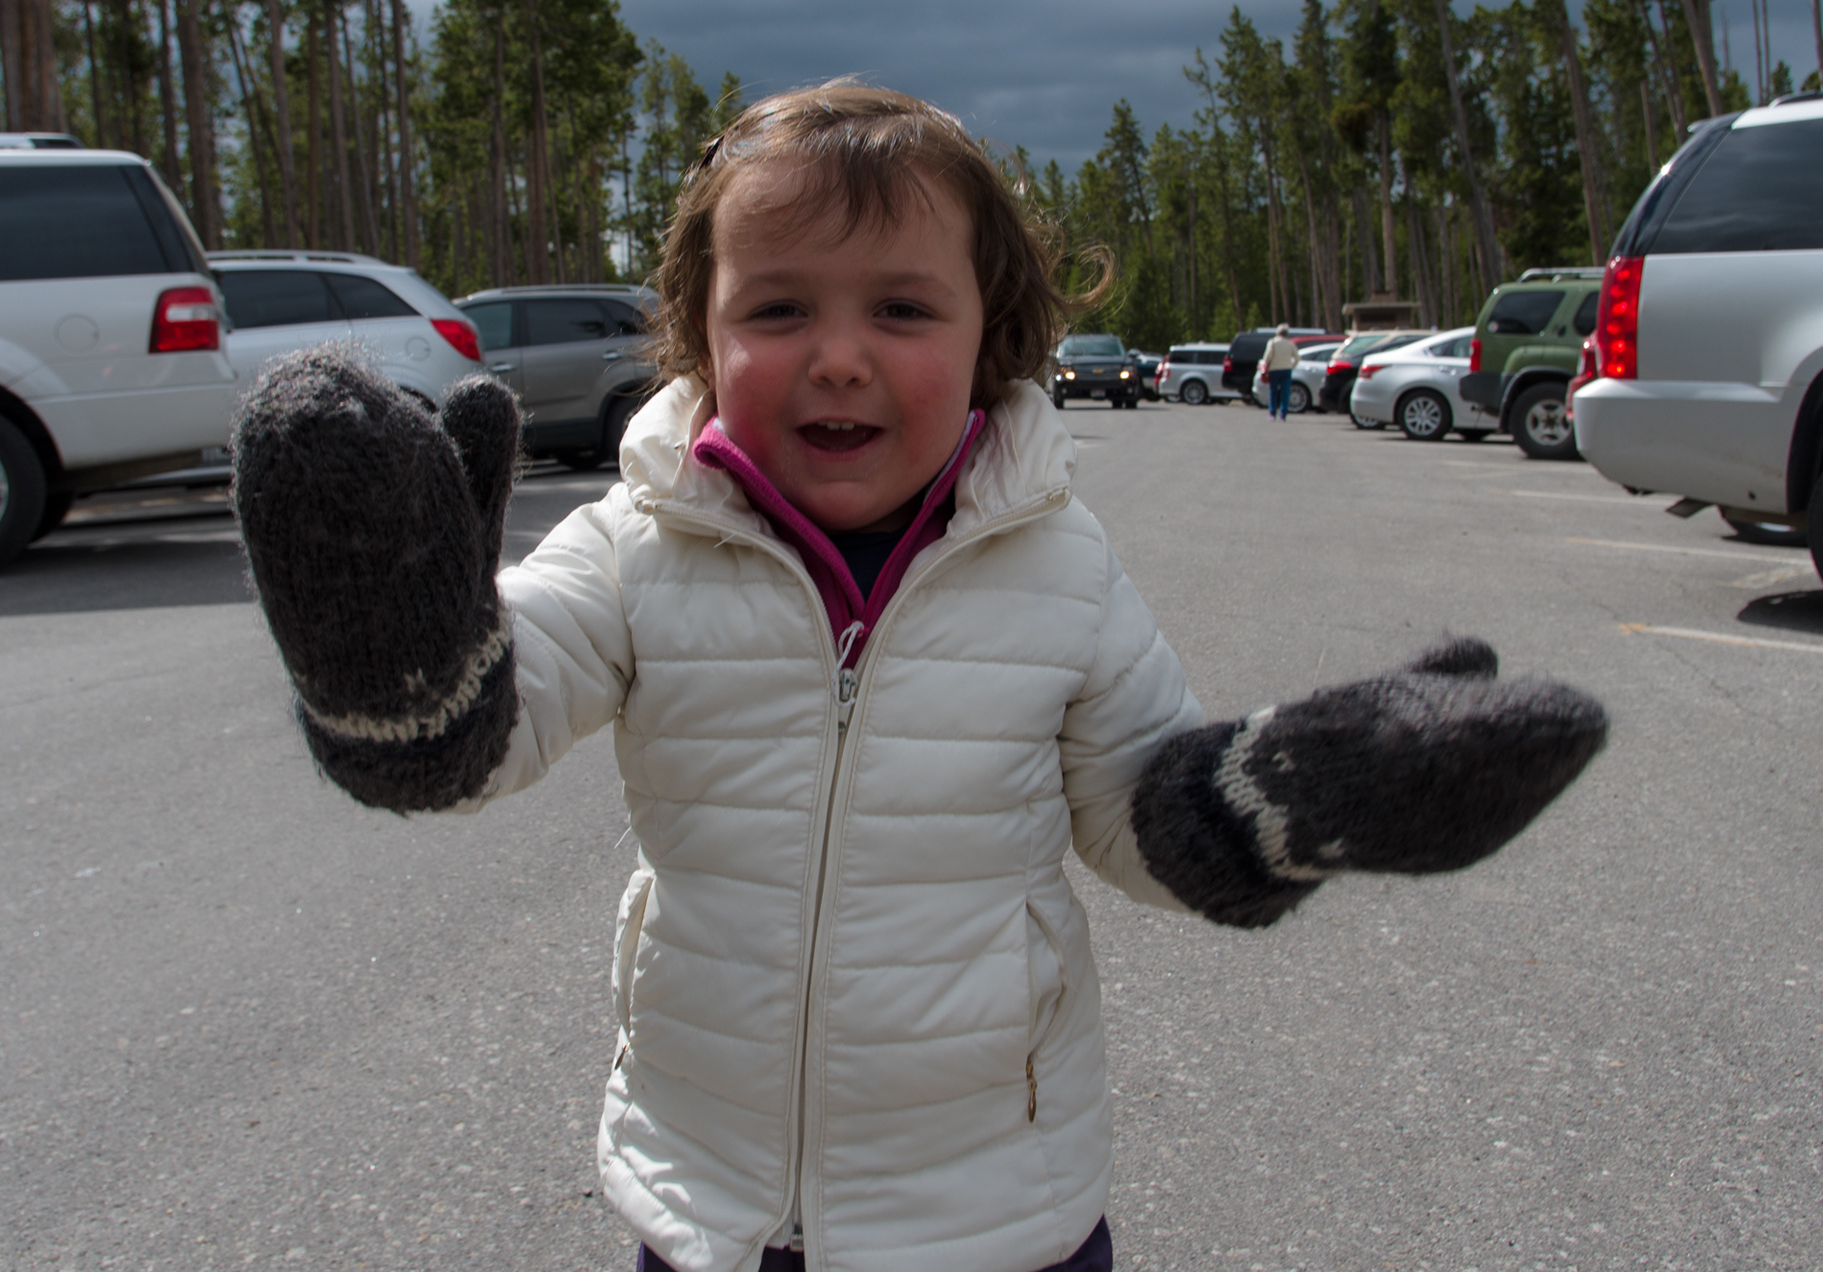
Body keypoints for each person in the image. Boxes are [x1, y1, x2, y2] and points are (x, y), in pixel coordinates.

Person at [229, 83, 1607, 1272]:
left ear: (989, 334)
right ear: (701, 333)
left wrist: (1290, 797)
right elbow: (491, 722)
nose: (838, 355)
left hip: (997, 1207)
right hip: (712, 1201)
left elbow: (1139, 804)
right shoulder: (639, 542)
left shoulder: (1060, 563)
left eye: (900, 308)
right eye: (778, 308)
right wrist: (396, 660)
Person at [1261, 322, 1299, 419]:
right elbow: (1297, 358)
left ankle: (1272, 413)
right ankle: (1283, 414)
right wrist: (1292, 366)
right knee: (1285, 392)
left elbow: (1267, 356)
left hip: (1274, 369)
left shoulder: (1273, 342)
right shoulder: (1290, 344)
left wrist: (1266, 366)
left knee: (1273, 391)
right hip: (1286, 369)